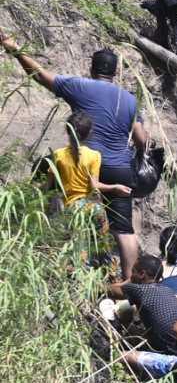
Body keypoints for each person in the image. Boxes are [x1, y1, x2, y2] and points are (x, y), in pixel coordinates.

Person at [1, 39, 148, 275]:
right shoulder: (128, 99)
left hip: (84, 164)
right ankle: (128, 280)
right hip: (119, 166)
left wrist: (14, 48)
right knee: (123, 228)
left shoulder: (80, 86)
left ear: (92, 68)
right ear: (115, 72)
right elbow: (142, 139)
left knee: (50, 184)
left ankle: (41, 243)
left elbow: (40, 75)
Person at [110, 255, 177, 378]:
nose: (131, 276)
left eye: (133, 272)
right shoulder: (167, 290)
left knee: (114, 355)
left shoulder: (139, 290)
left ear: (142, 274)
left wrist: (128, 282)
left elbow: (108, 290)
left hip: (168, 357)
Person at [47, 110, 132, 211]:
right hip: (90, 208)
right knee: (103, 224)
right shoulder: (94, 156)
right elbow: (94, 186)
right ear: (89, 133)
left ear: (67, 131)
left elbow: (48, 185)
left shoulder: (58, 154)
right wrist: (115, 187)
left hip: (70, 208)